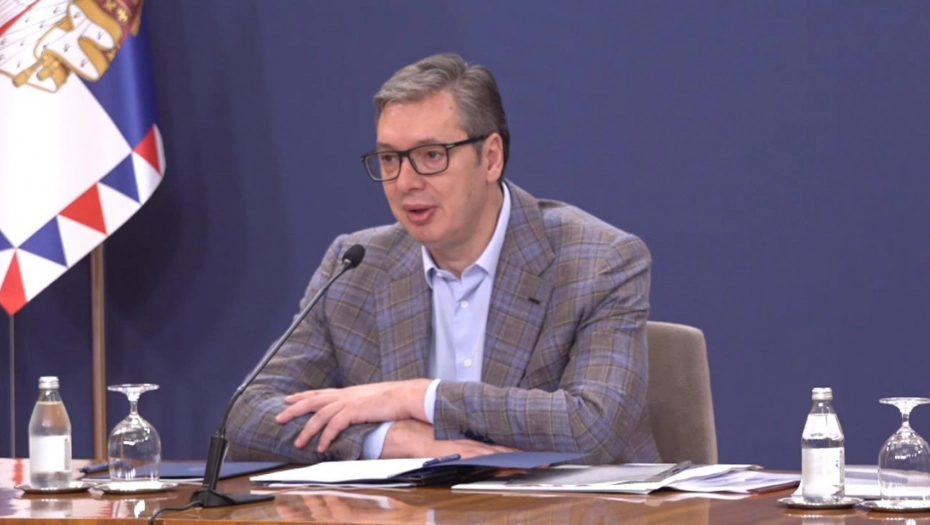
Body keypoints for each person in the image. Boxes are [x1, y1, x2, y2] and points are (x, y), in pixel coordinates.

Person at [227, 53, 659, 465]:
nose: (405, 182)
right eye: (390, 159)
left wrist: (418, 397)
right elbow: (246, 417)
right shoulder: (357, 266)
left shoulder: (598, 260)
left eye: (431, 156)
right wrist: (389, 439)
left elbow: (592, 428)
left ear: (491, 158)